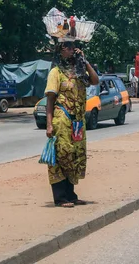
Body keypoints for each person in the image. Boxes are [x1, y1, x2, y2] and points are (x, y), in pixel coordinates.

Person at [45, 41, 99, 208]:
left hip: (77, 122)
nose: (71, 50)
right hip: (62, 119)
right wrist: (49, 124)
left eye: (73, 47)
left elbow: (95, 80)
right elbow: (50, 100)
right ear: (60, 52)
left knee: (75, 156)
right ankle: (60, 197)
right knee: (62, 156)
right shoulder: (56, 73)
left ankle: (71, 195)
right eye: (67, 47)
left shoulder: (80, 73)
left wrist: (85, 61)